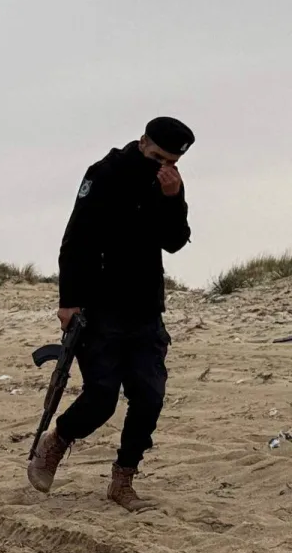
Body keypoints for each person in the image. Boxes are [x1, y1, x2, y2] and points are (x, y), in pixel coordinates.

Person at [27, 116, 194, 510]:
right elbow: (75, 240)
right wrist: (68, 302)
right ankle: (57, 441)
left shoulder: (168, 183)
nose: (162, 167)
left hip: (146, 309)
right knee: (102, 397)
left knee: (149, 397)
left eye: (171, 162)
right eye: (157, 157)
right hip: (99, 307)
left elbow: (175, 241)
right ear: (142, 143)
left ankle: (123, 480)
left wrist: (174, 199)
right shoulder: (103, 174)